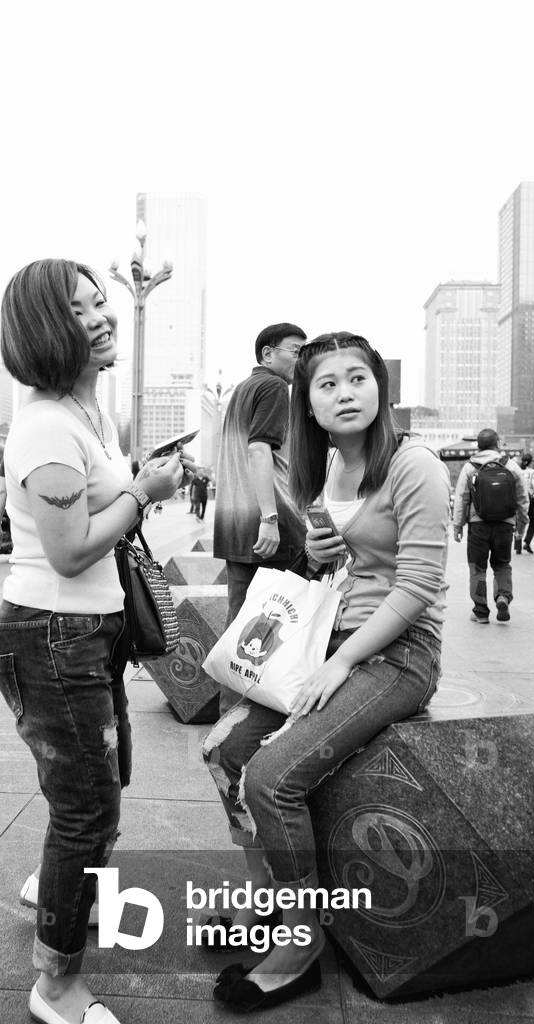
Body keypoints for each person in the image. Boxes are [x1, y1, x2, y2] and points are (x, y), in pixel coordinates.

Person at [203, 332, 449, 1013]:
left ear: (380, 388)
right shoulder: (328, 468)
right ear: (306, 404)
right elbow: (345, 566)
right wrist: (317, 554)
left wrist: (340, 663)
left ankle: (300, 942)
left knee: (272, 777)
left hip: (398, 653)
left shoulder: (414, 465)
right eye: (327, 384)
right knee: (225, 751)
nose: (345, 393)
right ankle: (266, 905)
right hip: (327, 639)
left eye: (358, 378)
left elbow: (417, 585)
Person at [0, 259, 194, 1024]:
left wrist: (138, 481)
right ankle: (56, 985)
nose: (102, 317)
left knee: (95, 790)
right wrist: (144, 492)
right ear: (47, 329)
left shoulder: (87, 415)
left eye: (100, 302)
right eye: (79, 310)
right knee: (88, 807)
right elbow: (71, 550)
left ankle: (61, 888)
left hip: (86, 632)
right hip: (52, 635)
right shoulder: (47, 424)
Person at [213, 323, 307, 711]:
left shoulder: (242, 390)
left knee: (240, 623)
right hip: (270, 523)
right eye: (295, 351)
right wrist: (270, 518)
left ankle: (228, 719)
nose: (301, 359)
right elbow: (258, 450)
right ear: (268, 354)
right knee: (282, 624)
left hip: (234, 525)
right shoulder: (274, 387)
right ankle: (264, 718)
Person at [452, 429, 528, 623]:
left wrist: (458, 525)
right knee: (502, 564)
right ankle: (503, 596)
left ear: (478, 446)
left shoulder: (470, 467)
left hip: (478, 525)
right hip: (505, 524)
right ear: (498, 444)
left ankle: (481, 611)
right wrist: (522, 523)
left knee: (477, 567)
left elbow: (461, 498)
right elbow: (522, 498)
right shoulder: (510, 465)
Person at [519, 453, 534, 553]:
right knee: (533, 521)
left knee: (519, 521)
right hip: (530, 499)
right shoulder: (532, 472)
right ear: (529, 462)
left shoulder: (517, 471)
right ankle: (527, 542)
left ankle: (517, 545)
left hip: (518, 500)